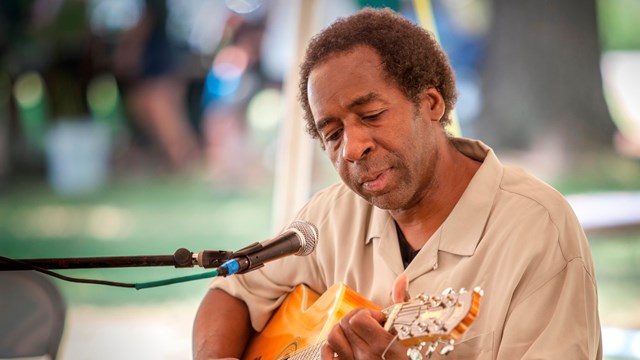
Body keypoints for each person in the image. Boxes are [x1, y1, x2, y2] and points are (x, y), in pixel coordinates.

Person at [193, 7, 602, 360]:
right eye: (332, 134)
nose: (352, 148)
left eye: (370, 115)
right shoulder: (328, 217)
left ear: (431, 103)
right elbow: (231, 295)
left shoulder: (536, 230)